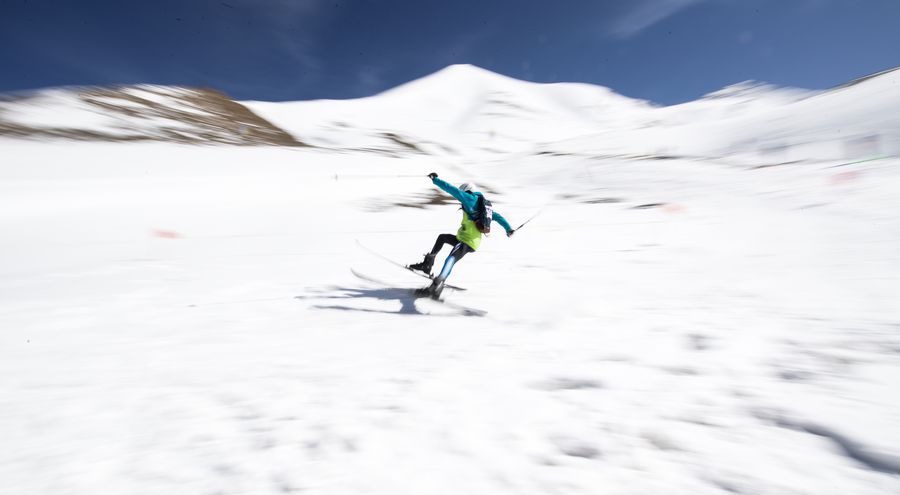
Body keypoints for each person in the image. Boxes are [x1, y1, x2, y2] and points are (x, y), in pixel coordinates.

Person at [408, 172, 515, 298]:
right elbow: (497, 217)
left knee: (450, 259)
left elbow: (452, 190)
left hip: (467, 241)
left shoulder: (469, 199)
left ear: (467, 191)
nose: (460, 200)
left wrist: (435, 180)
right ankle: (427, 264)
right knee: (442, 237)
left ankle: (438, 283)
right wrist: (508, 229)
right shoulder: (483, 206)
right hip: (465, 238)